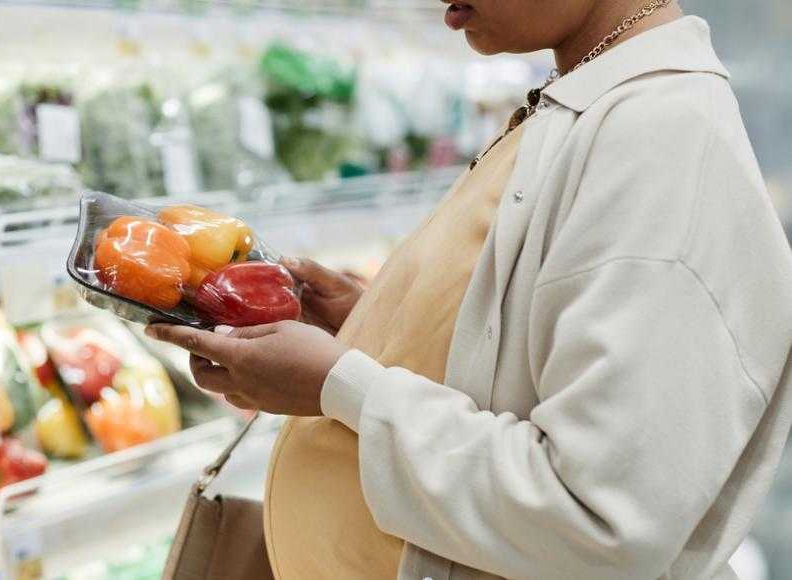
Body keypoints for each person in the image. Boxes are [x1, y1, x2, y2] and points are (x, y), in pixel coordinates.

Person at [147, 0, 792, 578]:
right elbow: (527, 355)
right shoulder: (590, 99)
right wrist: (376, 327)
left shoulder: (662, 139)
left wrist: (341, 385)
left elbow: (599, 519)